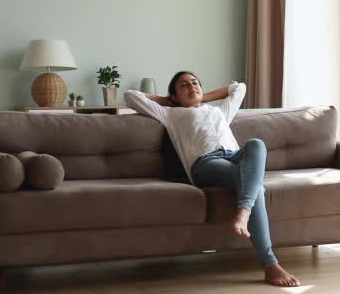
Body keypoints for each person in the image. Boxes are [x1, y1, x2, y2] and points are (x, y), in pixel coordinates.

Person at [124, 71, 300, 287]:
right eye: (183, 85)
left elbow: (239, 88)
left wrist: (200, 97)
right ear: (174, 96)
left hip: (235, 158)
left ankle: (243, 212)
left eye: (195, 83)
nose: (191, 87)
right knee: (254, 187)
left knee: (256, 144)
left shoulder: (219, 111)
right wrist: (171, 101)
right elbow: (130, 95)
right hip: (205, 164)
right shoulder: (169, 112)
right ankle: (270, 264)